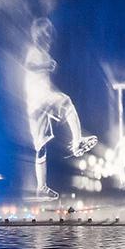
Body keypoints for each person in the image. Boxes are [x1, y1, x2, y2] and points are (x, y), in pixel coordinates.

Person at [24, 17, 97, 200]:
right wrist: (45, 65)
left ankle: (41, 187)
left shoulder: (44, 53)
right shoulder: (35, 51)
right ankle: (77, 141)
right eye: (46, 33)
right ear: (39, 35)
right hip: (40, 99)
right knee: (67, 103)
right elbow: (29, 65)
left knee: (41, 147)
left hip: (34, 105)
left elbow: (43, 82)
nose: (49, 37)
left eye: (50, 34)